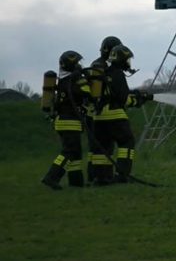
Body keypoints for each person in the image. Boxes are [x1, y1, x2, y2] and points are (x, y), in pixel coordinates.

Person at [93, 45, 151, 184]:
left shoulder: (103, 73)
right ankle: (122, 175)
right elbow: (124, 99)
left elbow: (112, 94)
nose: (128, 63)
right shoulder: (117, 74)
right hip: (115, 116)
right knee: (126, 142)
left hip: (99, 117)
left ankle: (100, 178)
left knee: (103, 148)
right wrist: (137, 101)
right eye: (127, 60)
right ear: (121, 59)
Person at [41, 51, 92, 190]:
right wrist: (84, 78)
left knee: (75, 152)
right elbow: (87, 92)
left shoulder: (63, 80)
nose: (79, 66)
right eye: (77, 63)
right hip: (70, 121)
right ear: (71, 65)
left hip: (63, 121)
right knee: (70, 151)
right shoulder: (72, 81)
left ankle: (76, 182)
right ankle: (51, 176)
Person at [85, 36, 121, 183]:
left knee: (96, 148)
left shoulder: (96, 65)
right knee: (101, 147)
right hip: (97, 113)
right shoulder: (102, 67)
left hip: (91, 112)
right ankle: (101, 177)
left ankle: (96, 176)